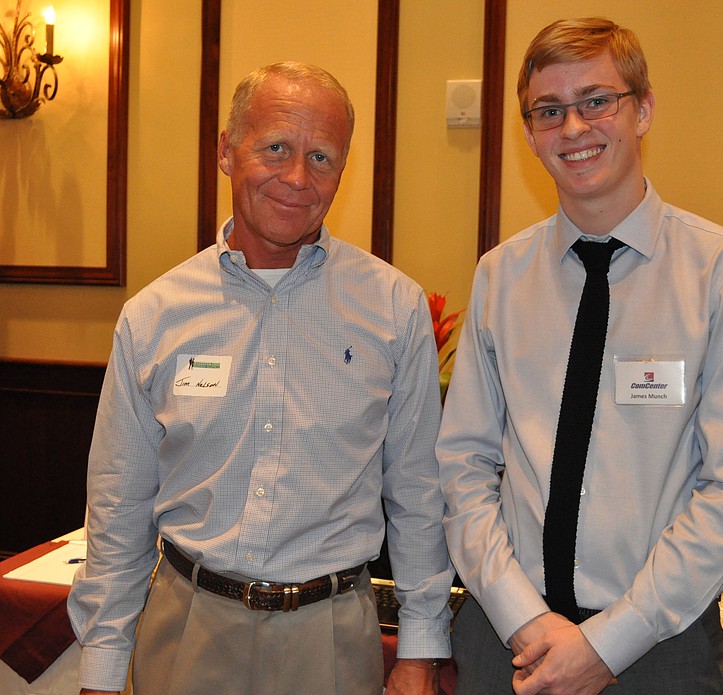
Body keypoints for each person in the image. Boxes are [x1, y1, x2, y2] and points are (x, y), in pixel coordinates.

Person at [68, 61, 454, 695]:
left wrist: (420, 649)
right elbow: (118, 505)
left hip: (331, 640)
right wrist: (106, 667)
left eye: (322, 158)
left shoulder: (393, 309)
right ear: (226, 151)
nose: (298, 178)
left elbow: (417, 496)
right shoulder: (153, 317)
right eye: (276, 147)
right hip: (186, 630)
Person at [436, 18, 723, 695]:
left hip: (659, 645)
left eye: (597, 101)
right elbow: (463, 464)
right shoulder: (500, 277)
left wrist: (607, 641)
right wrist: (522, 617)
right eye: (549, 110)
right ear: (529, 131)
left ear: (643, 109)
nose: (573, 128)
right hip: (506, 639)